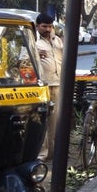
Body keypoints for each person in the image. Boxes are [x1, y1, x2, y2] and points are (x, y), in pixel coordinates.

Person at [35, 13, 64, 161]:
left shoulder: (57, 40)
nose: (47, 29)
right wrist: (35, 54)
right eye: (44, 26)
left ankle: (53, 152)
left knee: (55, 119)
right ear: (38, 26)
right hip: (42, 85)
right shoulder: (33, 41)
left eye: (50, 26)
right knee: (43, 120)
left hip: (58, 83)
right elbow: (23, 61)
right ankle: (42, 153)